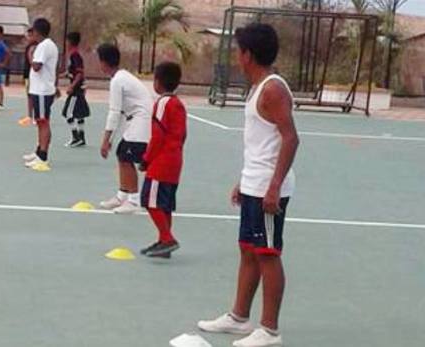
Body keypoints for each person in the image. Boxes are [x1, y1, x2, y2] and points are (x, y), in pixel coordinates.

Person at [197, 23, 299, 347]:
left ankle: (269, 330)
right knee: (248, 251)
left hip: (270, 189)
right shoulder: (257, 88)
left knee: (268, 253)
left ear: (248, 55)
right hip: (254, 183)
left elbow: (291, 138)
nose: (235, 56)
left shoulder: (273, 89)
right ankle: (239, 317)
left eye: (237, 50)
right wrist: (244, 181)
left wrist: (273, 187)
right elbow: (260, 143)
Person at [96, 43, 152, 214]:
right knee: (122, 154)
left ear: (104, 63)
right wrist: (110, 139)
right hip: (135, 119)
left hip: (142, 120)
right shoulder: (121, 77)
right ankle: (122, 196)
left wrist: (105, 141)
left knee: (126, 157)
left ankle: (134, 201)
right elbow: (119, 112)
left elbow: (113, 112)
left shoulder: (118, 80)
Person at [139, 62, 186, 258]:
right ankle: (163, 241)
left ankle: (167, 238)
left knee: (150, 201)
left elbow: (157, 136)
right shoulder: (179, 104)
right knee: (164, 203)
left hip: (161, 161)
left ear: (158, 82)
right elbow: (183, 135)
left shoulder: (162, 103)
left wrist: (146, 159)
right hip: (175, 159)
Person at [22, 18, 59, 171]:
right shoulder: (46, 45)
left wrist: (30, 55)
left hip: (42, 91)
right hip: (40, 90)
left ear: (37, 32)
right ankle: (39, 152)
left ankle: (43, 158)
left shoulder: (44, 46)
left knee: (43, 122)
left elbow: (37, 66)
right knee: (40, 122)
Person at [61, 32, 89, 147]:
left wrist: (72, 86)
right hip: (79, 89)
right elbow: (73, 72)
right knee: (79, 113)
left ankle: (75, 137)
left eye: (67, 41)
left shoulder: (75, 55)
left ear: (70, 42)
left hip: (76, 91)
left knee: (68, 113)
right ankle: (81, 138)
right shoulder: (73, 55)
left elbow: (79, 73)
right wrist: (63, 75)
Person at [22, 27, 37, 122]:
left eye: (30, 35)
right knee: (29, 95)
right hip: (27, 74)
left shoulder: (36, 47)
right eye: (28, 35)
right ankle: (29, 115)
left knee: (34, 95)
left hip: (34, 75)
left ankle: (36, 116)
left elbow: (34, 62)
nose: (28, 37)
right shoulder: (29, 46)